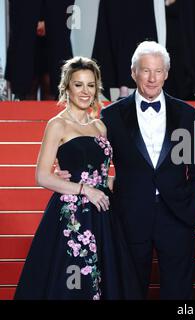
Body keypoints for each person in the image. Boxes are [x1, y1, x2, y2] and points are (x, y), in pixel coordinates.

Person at [14, 57, 141, 300]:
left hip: (104, 215)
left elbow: (102, 173)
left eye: (91, 85)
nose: (85, 92)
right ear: (67, 87)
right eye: (79, 85)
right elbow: (42, 176)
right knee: (72, 282)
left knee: (107, 280)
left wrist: (118, 184)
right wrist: (85, 190)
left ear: (97, 88)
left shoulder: (100, 127)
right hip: (73, 216)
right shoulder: (57, 125)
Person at [100, 41, 195, 299]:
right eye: (145, 70)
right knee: (130, 291)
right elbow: (98, 163)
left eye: (158, 71)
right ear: (133, 72)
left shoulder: (186, 113)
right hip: (130, 217)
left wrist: (193, 211)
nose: (152, 78)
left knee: (179, 292)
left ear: (167, 74)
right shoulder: (112, 115)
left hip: (177, 216)